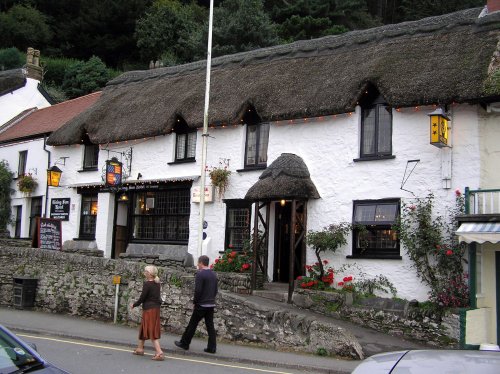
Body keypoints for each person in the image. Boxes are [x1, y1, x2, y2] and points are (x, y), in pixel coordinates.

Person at [175, 255, 218, 354]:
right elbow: (215, 290)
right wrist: (211, 299)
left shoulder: (200, 274)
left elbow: (198, 290)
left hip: (201, 304)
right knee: (210, 326)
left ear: (201, 263)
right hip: (211, 304)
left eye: (198, 263)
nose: (197, 265)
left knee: (192, 324)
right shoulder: (213, 274)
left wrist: (195, 302)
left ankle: (185, 343)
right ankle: (212, 348)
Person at [130, 265, 164, 361]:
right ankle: (140, 349)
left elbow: (142, 298)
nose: (144, 273)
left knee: (151, 330)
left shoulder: (147, 284)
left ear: (149, 274)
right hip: (155, 309)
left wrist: (134, 305)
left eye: (145, 271)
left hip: (149, 310)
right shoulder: (157, 283)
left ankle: (159, 352)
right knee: (144, 328)